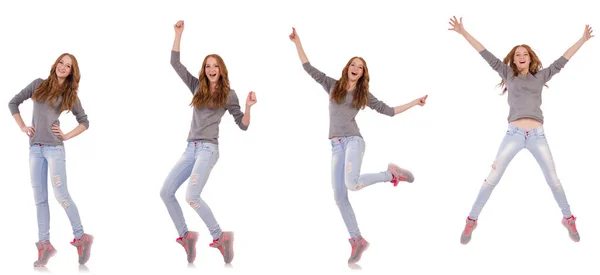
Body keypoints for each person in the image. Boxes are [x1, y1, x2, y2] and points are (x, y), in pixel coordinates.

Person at [448, 16, 594, 244]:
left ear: (530, 58)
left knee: (554, 180)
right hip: (513, 135)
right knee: (492, 178)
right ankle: (471, 220)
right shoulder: (507, 73)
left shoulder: (542, 75)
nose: (521, 56)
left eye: (525, 53)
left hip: (538, 136)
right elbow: (484, 53)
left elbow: (563, 59)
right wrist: (463, 32)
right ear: (513, 61)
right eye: (517, 54)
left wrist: (582, 40)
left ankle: (568, 218)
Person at [289, 27, 428, 264]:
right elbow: (307, 67)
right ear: (347, 68)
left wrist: (415, 103)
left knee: (351, 184)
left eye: (360, 67)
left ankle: (390, 174)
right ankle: (357, 241)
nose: (356, 68)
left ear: (363, 73)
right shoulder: (332, 85)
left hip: (354, 140)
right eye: (353, 64)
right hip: (335, 146)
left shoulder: (364, 95)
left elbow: (389, 111)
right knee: (339, 195)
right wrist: (297, 42)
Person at [160, 20, 256, 265]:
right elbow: (175, 63)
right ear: (204, 70)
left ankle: (220, 236)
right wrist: (178, 34)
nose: (211, 69)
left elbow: (243, 125)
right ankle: (185, 236)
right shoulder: (196, 87)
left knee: (192, 196)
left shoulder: (228, 95)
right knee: (166, 192)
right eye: (207, 66)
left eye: (215, 66)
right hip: (190, 148)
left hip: (208, 150)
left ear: (221, 69)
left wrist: (247, 107)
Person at [8, 53, 94, 267]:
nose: (63, 67)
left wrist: (65, 135)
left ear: (72, 72)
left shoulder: (69, 94)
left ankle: (81, 237)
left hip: (55, 149)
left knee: (61, 194)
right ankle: (44, 245)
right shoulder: (38, 84)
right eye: (61, 63)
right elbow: (13, 103)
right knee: (40, 199)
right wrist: (23, 126)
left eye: (68, 66)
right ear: (55, 64)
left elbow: (84, 121)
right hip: (35, 149)